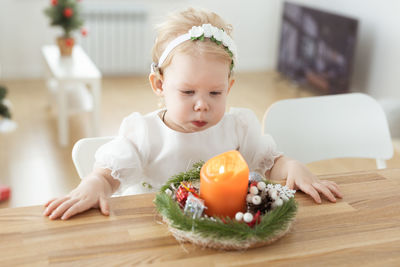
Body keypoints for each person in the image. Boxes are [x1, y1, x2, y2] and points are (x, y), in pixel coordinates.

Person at [43, 7, 342, 220]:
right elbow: (109, 175)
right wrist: (96, 183)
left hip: (222, 230)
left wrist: (289, 166)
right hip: (157, 234)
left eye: (215, 93)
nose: (202, 105)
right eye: (187, 93)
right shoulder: (145, 133)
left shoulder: (237, 127)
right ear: (159, 84)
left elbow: (269, 162)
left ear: (230, 86)